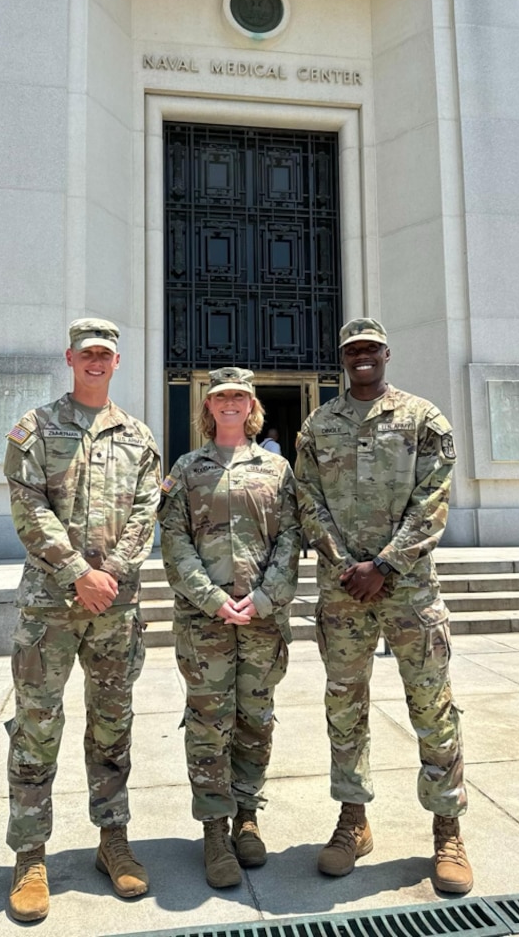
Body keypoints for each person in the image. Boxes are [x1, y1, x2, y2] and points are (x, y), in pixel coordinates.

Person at [294, 318, 472, 894]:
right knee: (345, 709)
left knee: (433, 706)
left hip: (411, 593)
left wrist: (386, 565)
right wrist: (346, 563)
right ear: (343, 359)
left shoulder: (423, 419)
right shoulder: (319, 424)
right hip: (343, 592)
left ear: (387, 354)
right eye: (353, 350)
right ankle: (353, 820)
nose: (362, 356)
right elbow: (306, 500)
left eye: (371, 348)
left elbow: (434, 499)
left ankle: (447, 827)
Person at [3, 318, 161, 922]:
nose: (96, 362)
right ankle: (30, 854)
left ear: (117, 363)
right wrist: (78, 573)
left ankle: (112, 840)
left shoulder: (140, 438)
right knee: (37, 728)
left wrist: (111, 575)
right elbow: (28, 505)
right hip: (50, 608)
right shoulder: (35, 430)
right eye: (87, 353)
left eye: (106, 355)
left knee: (112, 725)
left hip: (115, 610)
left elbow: (147, 514)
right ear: (70, 358)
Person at [159, 367, 300, 889]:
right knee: (208, 724)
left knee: (256, 720)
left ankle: (247, 815)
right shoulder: (187, 468)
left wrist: (264, 598)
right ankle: (214, 830)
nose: (231, 404)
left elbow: (291, 538)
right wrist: (214, 599)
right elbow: (173, 540)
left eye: (239, 396)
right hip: (205, 623)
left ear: (252, 404)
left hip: (263, 622)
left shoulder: (277, 469)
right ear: (208, 406)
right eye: (221, 397)